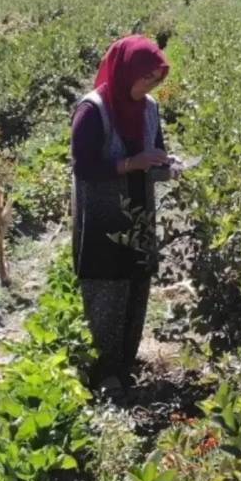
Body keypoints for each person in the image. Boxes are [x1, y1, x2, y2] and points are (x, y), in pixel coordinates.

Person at [70, 35, 170, 399]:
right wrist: (130, 164)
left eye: (157, 81)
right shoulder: (92, 110)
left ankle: (124, 362)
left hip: (139, 212)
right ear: (126, 71)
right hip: (102, 219)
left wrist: (165, 166)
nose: (151, 87)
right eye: (147, 79)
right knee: (106, 288)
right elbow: (84, 168)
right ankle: (103, 372)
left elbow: (156, 152)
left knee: (136, 284)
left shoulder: (150, 108)